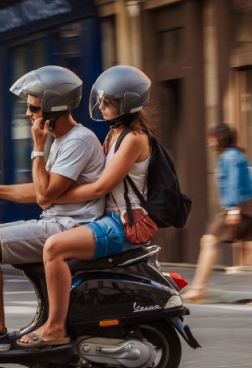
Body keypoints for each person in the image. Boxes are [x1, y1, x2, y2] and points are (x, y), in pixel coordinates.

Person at [0, 65, 105, 352]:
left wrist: (38, 147)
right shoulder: (64, 140)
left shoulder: (79, 140)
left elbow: (45, 195)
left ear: (53, 107)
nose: (28, 114)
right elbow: (41, 190)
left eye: (34, 108)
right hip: (55, 222)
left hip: (67, 228)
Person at [17, 65, 153, 348]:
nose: (101, 107)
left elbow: (101, 187)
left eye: (109, 102)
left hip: (122, 223)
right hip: (107, 218)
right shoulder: (113, 134)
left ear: (126, 104)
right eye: (101, 101)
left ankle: (55, 328)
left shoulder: (134, 139)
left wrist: (50, 197)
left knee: (54, 247)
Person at [181, 123, 252, 307]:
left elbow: (233, 183)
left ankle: (199, 288)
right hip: (249, 208)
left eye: (211, 138)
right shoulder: (236, 154)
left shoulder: (230, 156)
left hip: (238, 207)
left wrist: (232, 209)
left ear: (218, 139)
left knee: (208, 241)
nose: (209, 141)